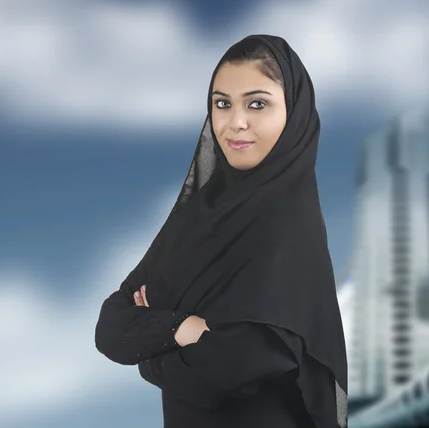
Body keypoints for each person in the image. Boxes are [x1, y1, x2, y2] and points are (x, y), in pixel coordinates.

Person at [94, 34, 348, 428]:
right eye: (222, 104)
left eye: (257, 103)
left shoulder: (289, 231)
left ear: (294, 113)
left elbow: (231, 368)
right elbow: (110, 327)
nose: (235, 122)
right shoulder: (196, 216)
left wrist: (149, 350)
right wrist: (181, 328)